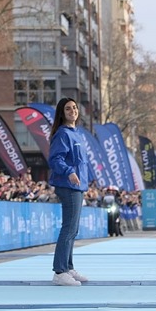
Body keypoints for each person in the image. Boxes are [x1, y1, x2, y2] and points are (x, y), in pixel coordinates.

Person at [48, 97, 95, 287]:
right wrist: (69, 172)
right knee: (68, 228)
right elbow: (56, 159)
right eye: (68, 109)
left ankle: (68, 266)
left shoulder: (77, 134)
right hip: (68, 185)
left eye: (75, 108)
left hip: (78, 186)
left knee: (73, 229)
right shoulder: (63, 134)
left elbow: (82, 161)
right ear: (62, 112)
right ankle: (60, 271)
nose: (73, 111)